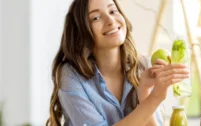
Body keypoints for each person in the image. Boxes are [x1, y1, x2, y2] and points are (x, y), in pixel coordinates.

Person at [46, 0, 189, 126]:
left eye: (113, 11)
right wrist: (155, 97)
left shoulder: (143, 66)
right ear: (81, 32)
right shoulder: (71, 75)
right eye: (96, 18)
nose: (110, 20)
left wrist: (144, 92)